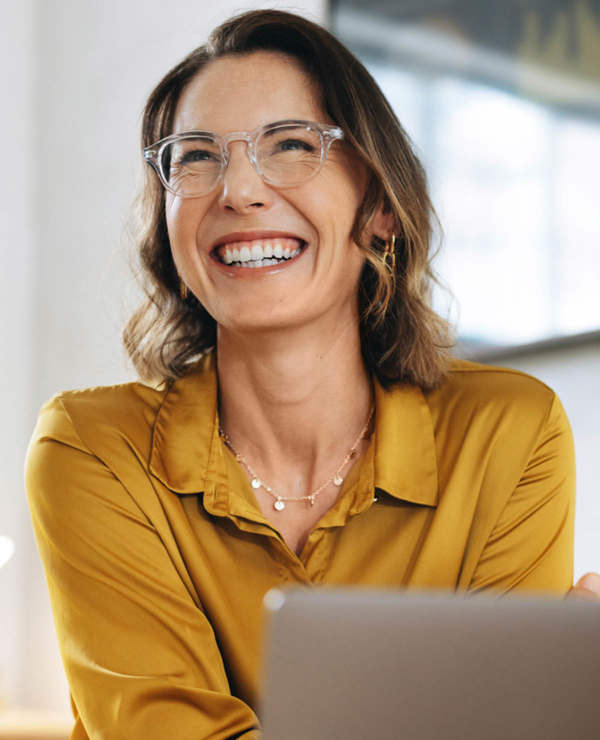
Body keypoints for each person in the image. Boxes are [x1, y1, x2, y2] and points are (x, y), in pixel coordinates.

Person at [25, 9, 599, 740]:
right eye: (195, 156)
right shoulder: (92, 449)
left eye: (291, 145)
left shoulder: (512, 436)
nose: (237, 191)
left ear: (382, 207)